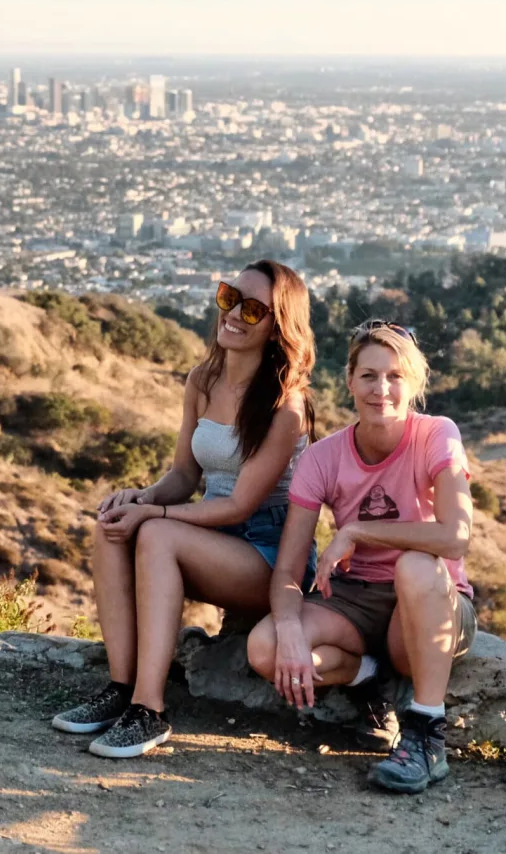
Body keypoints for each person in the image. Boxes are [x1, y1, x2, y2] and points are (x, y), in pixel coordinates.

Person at [52, 260, 318, 759]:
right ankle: (121, 689)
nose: (235, 314)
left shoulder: (287, 407)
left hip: (267, 552)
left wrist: (156, 518)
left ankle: (150, 711)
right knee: (113, 526)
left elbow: (241, 504)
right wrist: (142, 499)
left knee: (154, 535)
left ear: (278, 326)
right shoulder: (203, 379)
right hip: (210, 538)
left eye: (254, 309)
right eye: (229, 297)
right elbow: (184, 476)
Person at [246, 320, 476, 794]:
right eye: (368, 375)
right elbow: (289, 568)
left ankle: (426, 734)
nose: (382, 389)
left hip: (433, 600)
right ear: (349, 380)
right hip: (355, 601)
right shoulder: (322, 458)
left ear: (414, 382)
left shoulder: (437, 434)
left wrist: (357, 529)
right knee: (264, 648)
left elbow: (455, 537)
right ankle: (368, 679)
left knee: (414, 563)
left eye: (395, 376)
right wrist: (289, 629)